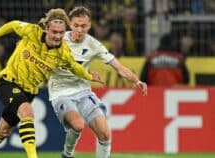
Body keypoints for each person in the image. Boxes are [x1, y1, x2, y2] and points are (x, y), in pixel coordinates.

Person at [0, 8, 103, 158]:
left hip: (29, 92)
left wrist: (89, 76)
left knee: (3, 130)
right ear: (46, 29)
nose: (58, 36)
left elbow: (74, 67)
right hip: (9, 82)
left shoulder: (63, 53)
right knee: (27, 112)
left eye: (61, 32)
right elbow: (13, 25)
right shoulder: (32, 32)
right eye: (54, 32)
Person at [47, 6, 147, 158]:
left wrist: (136, 80)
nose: (79, 30)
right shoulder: (57, 37)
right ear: (69, 24)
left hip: (83, 93)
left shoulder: (93, 44)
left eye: (83, 26)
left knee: (105, 134)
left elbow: (118, 67)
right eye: (76, 25)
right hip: (60, 93)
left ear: (89, 25)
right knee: (78, 125)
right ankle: (67, 154)